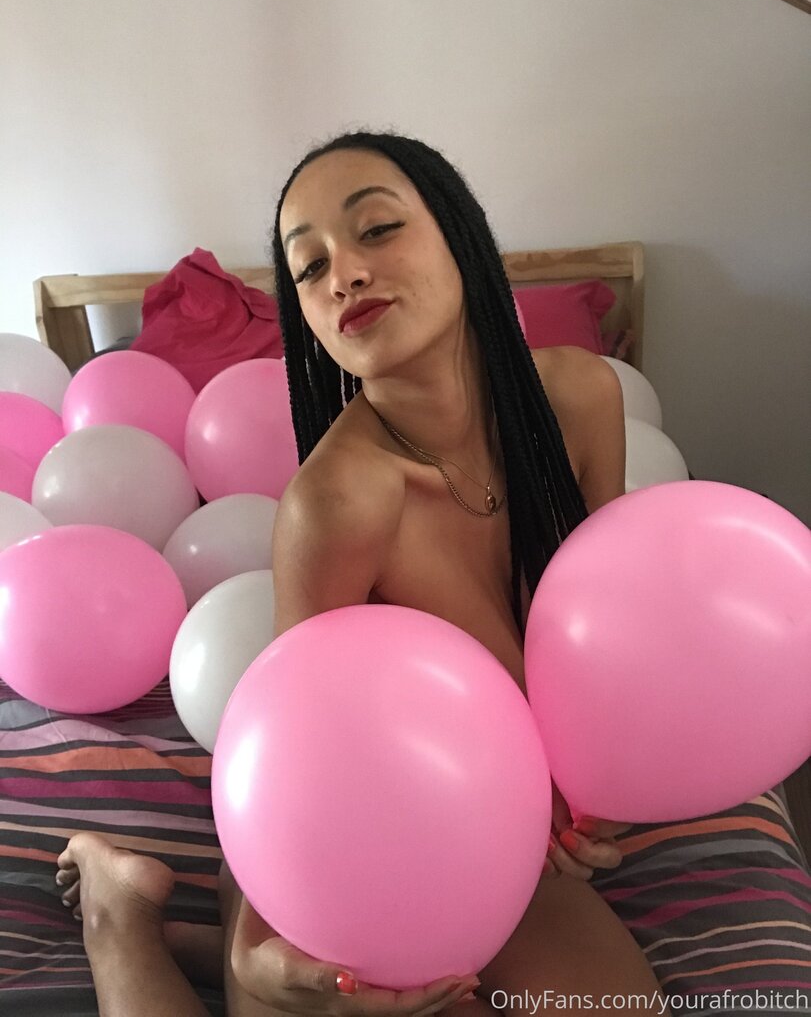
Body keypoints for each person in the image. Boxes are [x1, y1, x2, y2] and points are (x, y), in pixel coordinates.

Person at [54, 131, 671, 1016]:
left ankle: (200, 948)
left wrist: (599, 788)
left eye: (376, 229)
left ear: (460, 236)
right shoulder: (339, 500)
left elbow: (605, 630)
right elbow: (302, 757)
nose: (342, 275)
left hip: (499, 819)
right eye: (309, 268)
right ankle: (118, 915)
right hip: (358, 830)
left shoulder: (579, 397)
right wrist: (259, 949)